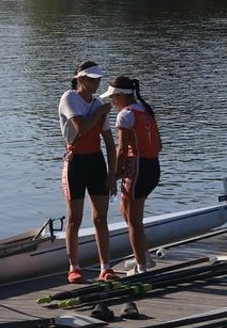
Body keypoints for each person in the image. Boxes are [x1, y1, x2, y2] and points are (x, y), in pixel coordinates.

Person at [58, 61, 118, 283]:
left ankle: (106, 267)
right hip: (75, 162)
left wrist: (112, 174)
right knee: (75, 218)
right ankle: (74, 266)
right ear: (80, 80)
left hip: (95, 161)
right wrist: (101, 110)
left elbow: (110, 145)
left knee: (100, 218)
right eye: (92, 79)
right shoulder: (69, 98)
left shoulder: (98, 103)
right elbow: (81, 128)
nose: (97, 83)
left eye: (98, 79)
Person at [105, 76, 162, 274]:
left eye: (113, 98)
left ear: (121, 96)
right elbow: (159, 145)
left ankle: (142, 268)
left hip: (137, 168)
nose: (111, 102)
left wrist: (114, 175)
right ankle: (144, 256)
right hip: (153, 167)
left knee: (134, 221)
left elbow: (121, 151)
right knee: (126, 210)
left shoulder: (125, 115)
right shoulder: (146, 110)